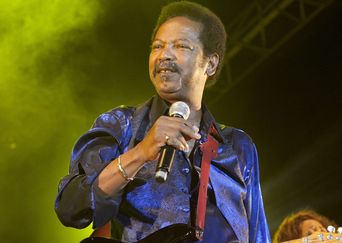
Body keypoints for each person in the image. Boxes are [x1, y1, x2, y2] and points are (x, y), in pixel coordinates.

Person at [54, 1, 270, 242]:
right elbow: (70, 207)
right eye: (157, 46)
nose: (164, 55)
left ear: (210, 63)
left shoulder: (238, 146)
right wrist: (140, 153)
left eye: (180, 46)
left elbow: (258, 235)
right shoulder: (121, 124)